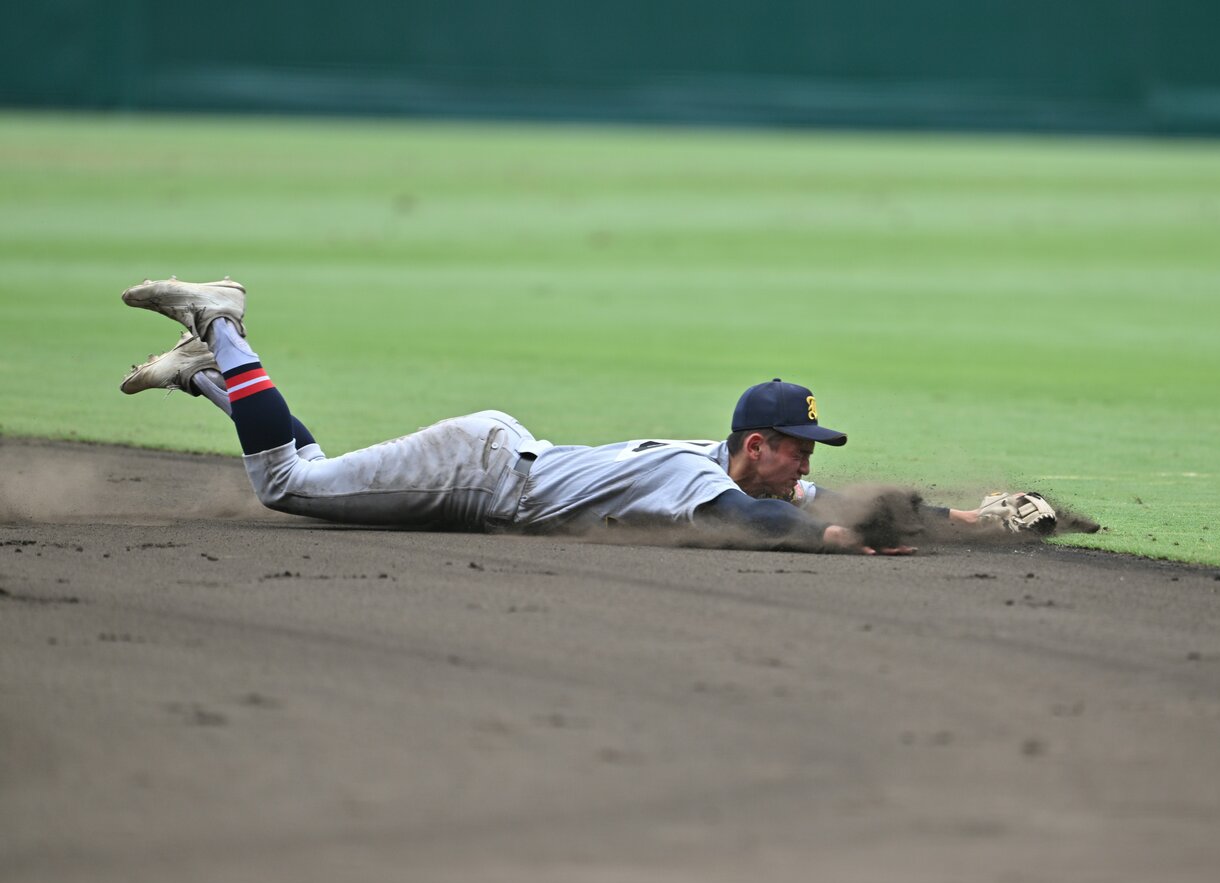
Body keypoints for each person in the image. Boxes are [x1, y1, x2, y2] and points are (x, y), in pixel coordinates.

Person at [118, 277, 1059, 552]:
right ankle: (223, 324)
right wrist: (839, 547)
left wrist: (968, 519)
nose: (806, 464)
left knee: (311, 476)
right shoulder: (707, 481)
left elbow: (831, 497)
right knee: (290, 486)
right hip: (477, 470)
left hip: (490, 474)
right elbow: (764, 521)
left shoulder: (741, 468)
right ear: (756, 446)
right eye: (797, 447)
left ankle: (211, 378)